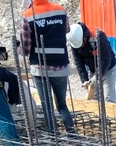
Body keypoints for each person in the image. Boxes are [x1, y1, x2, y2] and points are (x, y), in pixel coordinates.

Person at [20, 0, 74, 133]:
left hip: (40, 68)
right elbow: (67, 29)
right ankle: (72, 135)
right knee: (62, 105)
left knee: (47, 107)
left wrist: (18, 48)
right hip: (61, 66)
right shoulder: (60, 10)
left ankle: (54, 137)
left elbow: (26, 49)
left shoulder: (28, 15)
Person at [67, 22, 116, 104]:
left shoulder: (99, 36)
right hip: (93, 69)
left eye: (81, 43)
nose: (81, 46)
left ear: (84, 36)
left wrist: (96, 77)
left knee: (109, 98)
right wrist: (84, 80)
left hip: (108, 68)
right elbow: (79, 63)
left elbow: (106, 60)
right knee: (93, 99)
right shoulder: (74, 43)